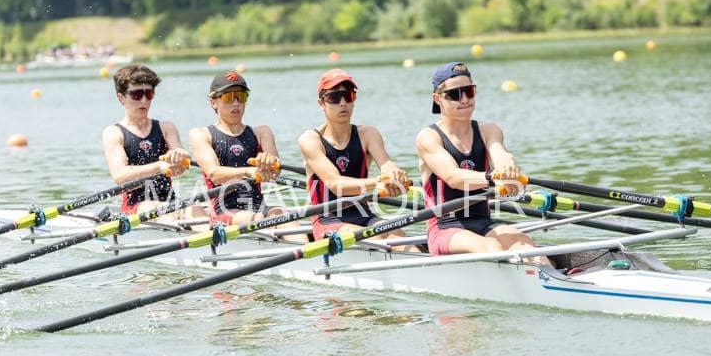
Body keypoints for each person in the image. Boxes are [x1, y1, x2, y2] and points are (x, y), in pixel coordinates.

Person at [416, 61, 548, 262]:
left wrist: (508, 168)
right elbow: (454, 177)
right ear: (437, 98)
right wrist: (493, 178)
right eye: (454, 94)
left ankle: (549, 278)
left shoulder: (488, 130)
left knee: (524, 243)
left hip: (483, 222)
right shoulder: (428, 137)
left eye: (469, 92)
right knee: (491, 247)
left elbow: (500, 154)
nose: (464, 99)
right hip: (444, 228)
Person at [298, 69, 414, 246]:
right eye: (334, 98)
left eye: (348, 96)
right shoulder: (310, 140)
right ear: (321, 103)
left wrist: (394, 173)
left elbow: (385, 163)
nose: (343, 103)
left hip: (364, 215)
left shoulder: (368, 134)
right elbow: (335, 184)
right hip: (327, 220)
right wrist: (379, 182)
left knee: (399, 236)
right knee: (373, 238)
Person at [189, 71, 305, 240]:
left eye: (241, 96)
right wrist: (249, 171)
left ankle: (306, 251)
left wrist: (269, 164)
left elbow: (275, 172)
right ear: (213, 102)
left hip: (258, 207)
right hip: (224, 211)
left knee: (285, 215)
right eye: (229, 97)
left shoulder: (261, 133)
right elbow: (215, 173)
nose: (236, 103)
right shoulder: (201, 135)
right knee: (259, 220)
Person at [102, 64, 197, 217]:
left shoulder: (166, 128)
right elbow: (120, 176)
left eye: (149, 94)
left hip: (170, 202)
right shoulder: (113, 133)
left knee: (197, 209)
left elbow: (181, 166)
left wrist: (181, 156)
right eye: (137, 95)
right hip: (135, 206)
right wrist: (159, 166)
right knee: (162, 209)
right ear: (121, 97)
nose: (144, 100)